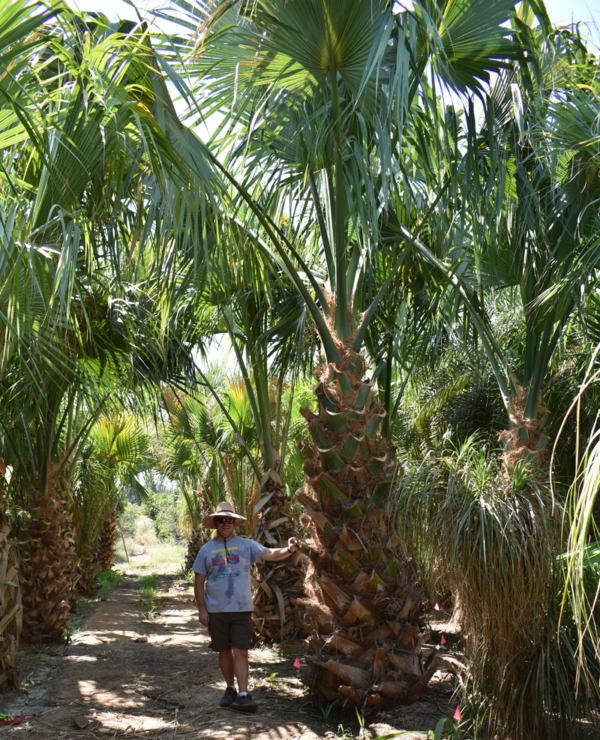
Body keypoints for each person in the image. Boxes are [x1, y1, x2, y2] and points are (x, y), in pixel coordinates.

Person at [193, 501, 299, 714]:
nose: (225, 523)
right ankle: (230, 689)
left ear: (234, 522)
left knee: (241, 651)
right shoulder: (206, 550)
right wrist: (202, 610)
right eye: (222, 520)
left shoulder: (246, 545)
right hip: (216, 610)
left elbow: (270, 554)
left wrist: (289, 549)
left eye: (229, 520)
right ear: (215, 523)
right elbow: (199, 581)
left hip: (241, 608)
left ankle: (243, 694)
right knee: (223, 651)